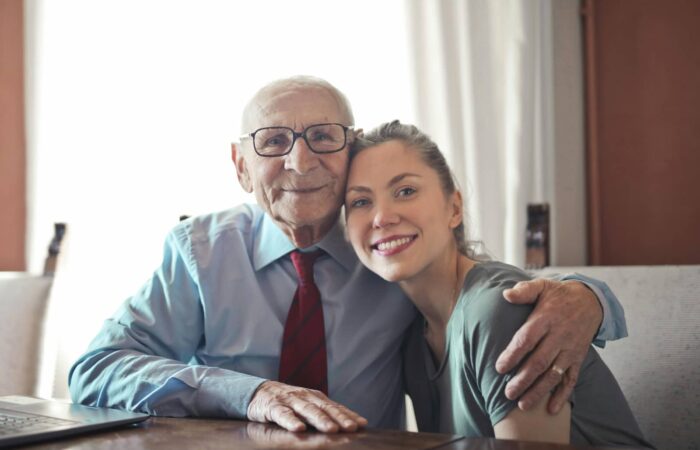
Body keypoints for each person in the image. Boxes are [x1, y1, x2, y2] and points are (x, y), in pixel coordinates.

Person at [69, 76, 627, 433]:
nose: (300, 160)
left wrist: (589, 297)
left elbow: (483, 289)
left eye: (322, 136)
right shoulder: (199, 254)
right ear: (241, 167)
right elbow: (95, 369)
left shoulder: (387, 251)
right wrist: (251, 394)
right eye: (272, 142)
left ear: (348, 153)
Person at [344, 120, 652, 447]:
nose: (381, 217)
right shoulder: (412, 337)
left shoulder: (500, 310)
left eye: (406, 191)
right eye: (361, 202)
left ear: (455, 208)